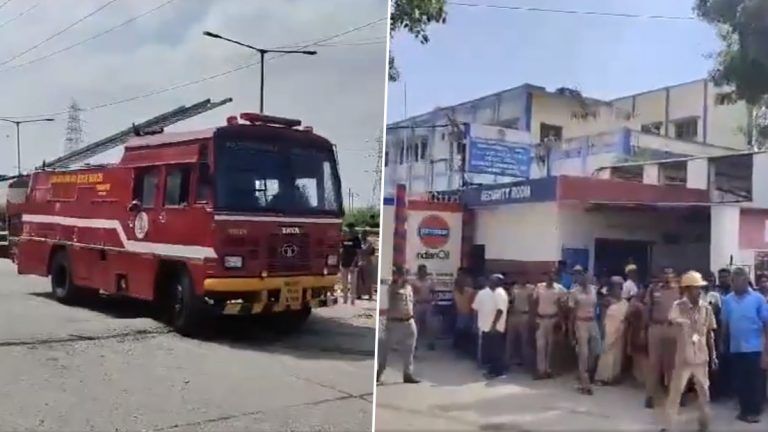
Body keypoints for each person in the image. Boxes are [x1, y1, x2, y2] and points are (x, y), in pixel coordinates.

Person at [664, 271, 717, 432]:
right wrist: (684, 321)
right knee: (675, 393)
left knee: (704, 393)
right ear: (687, 289)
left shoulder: (706, 308)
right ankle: (669, 426)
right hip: (684, 358)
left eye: (700, 288)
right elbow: (672, 319)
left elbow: (710, 333)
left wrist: (713, 355)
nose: (699, 291)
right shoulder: (678, 306)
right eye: (696, 288)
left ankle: (704, 425)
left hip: (701, 358)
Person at [721, 266, 768, 424]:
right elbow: (725, 324)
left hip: (755, 348)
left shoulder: (758, 299)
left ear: (744, 281)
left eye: (736, 281)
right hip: (736, 347)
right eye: (732, 281)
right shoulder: (727, 300)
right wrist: (722, 343)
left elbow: (766, 324)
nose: (733, 284)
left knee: (755, 381)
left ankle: (754, 412)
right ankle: (744, 410)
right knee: (740, 381)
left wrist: (766, 352)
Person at [644, 268, 681, 409]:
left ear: (674, 276)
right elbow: (647, 309)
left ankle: (673, 396)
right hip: (656, 327)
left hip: (673, 328)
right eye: (664, 273)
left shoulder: (679, 290)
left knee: (672, 364)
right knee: (654, 363)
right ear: (660, 276)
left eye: (670, 273)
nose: (667, 276)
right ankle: (650, 395)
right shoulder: (653, 290)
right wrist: (645, 328)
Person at [377, 265, 420, 384]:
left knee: (409, 350)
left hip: (409, 322)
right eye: (402, 274)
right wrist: (399, 279)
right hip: (394, 323)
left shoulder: (409, 287)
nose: (404, 276)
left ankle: (408, 374)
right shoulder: (392, 287)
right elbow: (393, 291)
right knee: (385, 350)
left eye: (405, 273)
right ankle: (379, 371)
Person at [568, 265, 601, 395]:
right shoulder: (574, 292)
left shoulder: (594, 290)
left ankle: (587, 373)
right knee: (583, 353)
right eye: (580, 275)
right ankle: (585, 384)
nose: (583, 278)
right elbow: (571, 313)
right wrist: (570, 331)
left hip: (593, 322)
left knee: (597, 350)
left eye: (585, 275)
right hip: (580, 322)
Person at [532, 269, 567, 379]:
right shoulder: (539, 287)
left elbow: (564, 306)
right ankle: (541, 370)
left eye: (552, 276)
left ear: (555, 277)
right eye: (548, 275)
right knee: (540, 346)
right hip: (540, 319)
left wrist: (562, 322)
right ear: (545, 276)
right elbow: (534, 302)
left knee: (551, 346)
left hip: (553, 320)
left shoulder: (560, 289)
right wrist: (533, 319)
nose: (550, 278)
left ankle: (549, 370)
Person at [472, 274, 509, 379]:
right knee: (490, 350)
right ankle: (491, 371)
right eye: (490, 280)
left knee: (496, 350)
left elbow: (500, 310)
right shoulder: (483, 293)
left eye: (494, 281)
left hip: (495, 327)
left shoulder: (500, 293)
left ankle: (498, 372)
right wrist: (475, 324)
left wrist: (494, 325)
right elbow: (475, 309)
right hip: (484, 325)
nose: (491, 282)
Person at [595, 276, 629, 385]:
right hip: (608, 328)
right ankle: (602, 377)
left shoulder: (624, 302)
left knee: (617, 354)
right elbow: (603, 317)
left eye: (619, 287)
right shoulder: (607, 301)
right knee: (606, 352)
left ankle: (614, 377)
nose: (617, 289)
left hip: (620, 330)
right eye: (615, 286)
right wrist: (601, 329)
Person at [507, 280, 535, 369]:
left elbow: (532, 304)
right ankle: (508, 361)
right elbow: (511, 301)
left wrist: (531, 318)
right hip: (514, 315)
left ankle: (527, 364)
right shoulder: (514, 288)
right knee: (510, 339)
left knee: (525, 340)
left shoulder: (531, 289)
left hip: (525, 315)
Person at [627, 283, 649, 386]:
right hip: (636, 330)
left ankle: (642, 377)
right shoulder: (636, 303)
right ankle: (639, 377)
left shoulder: (644, 304)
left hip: (642, 330)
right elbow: (628, 316)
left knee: (641, 354)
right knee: (637, 354)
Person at [412, 264, 436, 351]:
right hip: (418, 304)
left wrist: (433, 300)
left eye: (425, 271)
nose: (423, 273)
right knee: (415, 325)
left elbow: (433, 292)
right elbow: (412, 293)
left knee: (430, 325)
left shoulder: (429, 282)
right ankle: (414, 344)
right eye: (421, 271)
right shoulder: (415, 282)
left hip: (428, 304)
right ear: (418, 272)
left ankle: (431, 342)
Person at [453, 268, 475, 356]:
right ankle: (459, 347)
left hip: (468, 313)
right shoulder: (455, 292)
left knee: (466, 330)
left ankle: (465, 348)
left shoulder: (469, 291)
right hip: (460, 313)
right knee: (460, 330)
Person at [339, 223, 361, 305]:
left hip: (353, 264)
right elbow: (341, 250)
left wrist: (353, 264)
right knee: (344, 282)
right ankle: (345, 298)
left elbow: (358, 253)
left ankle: (352, 299)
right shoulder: (344, 240)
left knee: (353, 282)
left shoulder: (356, 240)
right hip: (344, 262)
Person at [356, 230, 376, 300]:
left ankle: (369, 295)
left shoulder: (369, 243)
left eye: (363, 234)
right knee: (358, 279)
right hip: (359, 261)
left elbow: (367, 250)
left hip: (367, 262)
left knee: (367, 279)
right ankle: (358, 294)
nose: (362, 236)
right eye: (361, 234)